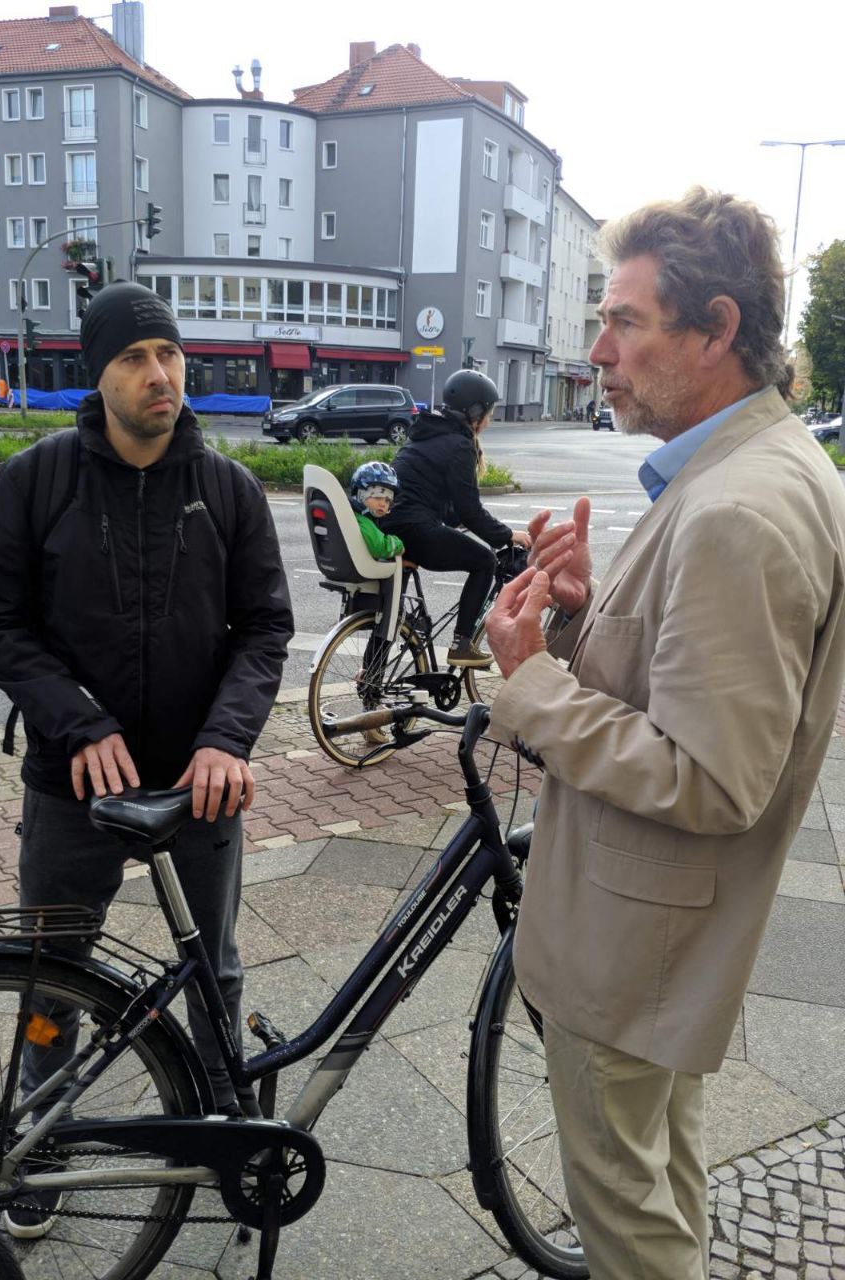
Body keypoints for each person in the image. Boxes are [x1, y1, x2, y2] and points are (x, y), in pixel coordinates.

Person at [485, 187, 845, 1280]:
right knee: (662, 1182)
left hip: (631, 944)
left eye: (626, 321)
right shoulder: (747, 470)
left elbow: (712, 776)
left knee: (630, 1222)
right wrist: (582, 614)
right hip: (660, 940)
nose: (598, 350)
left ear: (717, 327)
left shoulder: (738, 506)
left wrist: (530, 681)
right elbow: (684, 685)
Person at [0, 281, 293, 1237]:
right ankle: (40, 1134)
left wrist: (226, 740)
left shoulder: (226, 489)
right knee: (51, 970)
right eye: (134, 358)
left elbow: (265, 626)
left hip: (198, 785)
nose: (160, 375)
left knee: (215, 969)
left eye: (170, 354)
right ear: (97, 374)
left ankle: (226, 1121)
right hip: (75, 782)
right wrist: (78, 722)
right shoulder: (38, 480)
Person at [381, 368, 532, 668]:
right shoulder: (460, 444)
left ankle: (370, 669)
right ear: (475, 412)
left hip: (393, 527)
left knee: (392, 608)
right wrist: (506, 535)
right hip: (417, 529)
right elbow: (469, 510)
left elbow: (444, 503)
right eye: (489, 413)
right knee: (484, 561)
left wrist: (460, 521)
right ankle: (461, 645)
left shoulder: (425, 433)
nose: (489, 420)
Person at [348, 460, 404, 561]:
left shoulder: (355, 514)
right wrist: (398, 545)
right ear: (360, 495)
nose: (383, 504)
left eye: (388, 500)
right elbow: (379, 547)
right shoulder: (362, 520)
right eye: (377, 497)